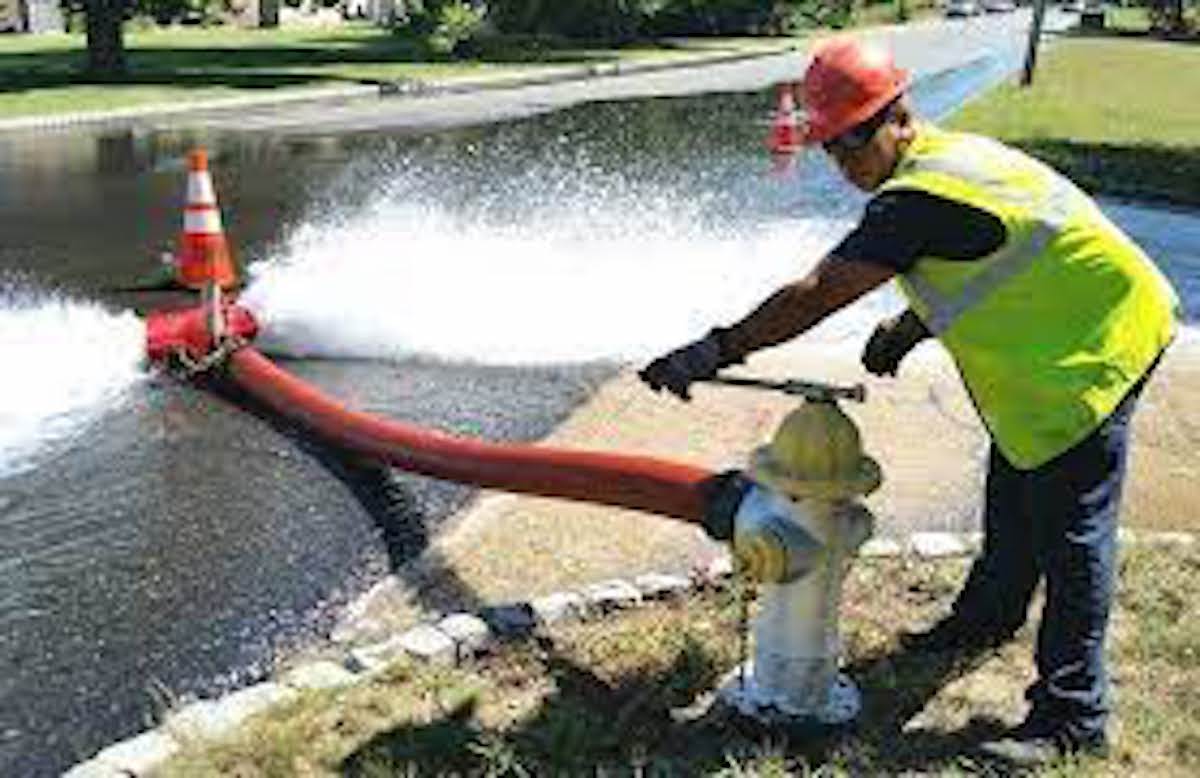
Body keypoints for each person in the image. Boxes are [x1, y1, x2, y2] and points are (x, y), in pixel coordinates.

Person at [639, 37, 1178, 767]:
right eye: (831, 148)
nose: (844, 162)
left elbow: (821, 292)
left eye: (853, 141)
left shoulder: (918, 197)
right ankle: (985, 618)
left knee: (1072, 532)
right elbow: (999, 249)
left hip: (1093, 351)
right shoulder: (946, 159)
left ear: (898, 116)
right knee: (1017, 478)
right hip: (1075, 331)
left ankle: (1073, 717)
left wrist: (716, 348)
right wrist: (910, 324)